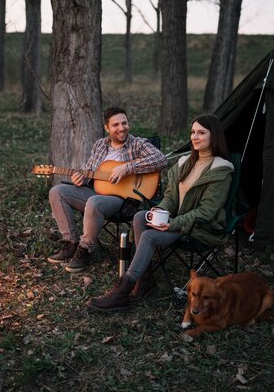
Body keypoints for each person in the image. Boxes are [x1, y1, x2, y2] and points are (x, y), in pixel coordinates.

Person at [87, 114, 234, 311]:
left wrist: (171, 224)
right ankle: (145, 280)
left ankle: (123, 290)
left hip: (200, 228)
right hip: (178, 223)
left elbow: (207, 212)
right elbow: (171, 198)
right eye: (192, 132)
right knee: (141, 215)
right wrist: (160, 210)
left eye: (201, 133)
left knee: (148, 236)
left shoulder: (221, 170)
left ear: (213, 136)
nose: (195, 137)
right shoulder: (184, 163)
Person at [48, 106, 168, 273]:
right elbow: (89, 170)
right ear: (107, 128)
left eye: (124, 123)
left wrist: (127, 168)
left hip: (123, 199)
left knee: (94, 201)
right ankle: (71, 243)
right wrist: (81, 179)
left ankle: (85, 249)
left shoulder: (138, 144)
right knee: (57, 192)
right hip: (97, 191)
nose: (121, 128)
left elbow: (161, 160)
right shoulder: (100, 145)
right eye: (116, 125)